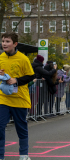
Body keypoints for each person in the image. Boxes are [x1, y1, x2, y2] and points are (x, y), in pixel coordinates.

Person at [0, 32, 35, 160]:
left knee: (21, 128)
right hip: (3, 98)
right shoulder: (0, 58)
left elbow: (31, 76)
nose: (4, 43)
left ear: (15, 44)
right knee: (0, 126)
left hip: (19, 98)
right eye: (3, 41)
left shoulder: (23, 58)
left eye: (7, 41)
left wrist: (16, 80)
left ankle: (24, 155)